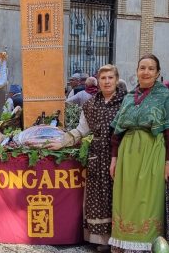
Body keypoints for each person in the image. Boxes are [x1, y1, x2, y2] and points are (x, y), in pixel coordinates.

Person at [108, 54, 169, 252]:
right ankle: (125, 244)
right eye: (142, 68)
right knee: (126, 201)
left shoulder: (165, 97)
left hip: (152, 151)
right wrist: (114, 159)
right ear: (137, 71)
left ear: (158, 73)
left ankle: (149, 245)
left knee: (148, 199)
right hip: (127, 154)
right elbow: (116, 132)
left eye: (150, 68)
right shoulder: (129, 97)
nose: (146, 72)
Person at [49, 64, 126, 251]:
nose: (107, 81)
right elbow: (81, 130)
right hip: (97, 155)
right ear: (98, 81)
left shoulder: (127, 102)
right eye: (103, 78)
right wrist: (62, 141)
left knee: (121, 195)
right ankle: (102, 239)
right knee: (98, 196)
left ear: (116, 80)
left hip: (122, 154)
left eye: (110, 78)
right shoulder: (90, 104)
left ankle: (121, 237)